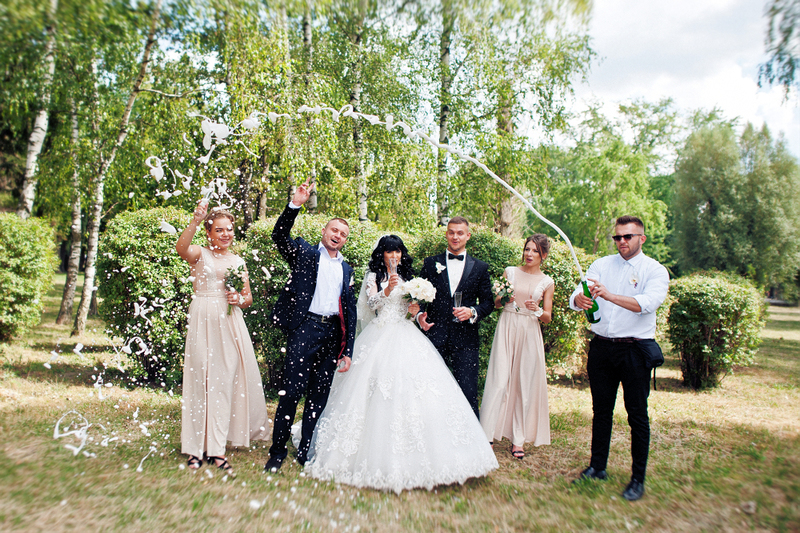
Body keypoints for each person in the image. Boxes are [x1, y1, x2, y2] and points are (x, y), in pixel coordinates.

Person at [305, 235, 498, 493]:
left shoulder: (408, 275)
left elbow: (411, 306)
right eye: (389, 252)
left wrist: (419, 314)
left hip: (406, 333)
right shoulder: (373, 276)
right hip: (380, 333)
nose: (394, 256)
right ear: (382, 254)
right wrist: (386, 289)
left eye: (397, 252)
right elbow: (370, 305)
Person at [569, 215, 669, 502]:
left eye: (628, 236)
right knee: (601, 411)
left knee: (637, 415)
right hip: (602, 348)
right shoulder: (602, 265)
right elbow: (580, 290)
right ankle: (597, 467)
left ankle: (638, 479)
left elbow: (647, 304)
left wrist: (610, 296)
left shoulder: (655, 270)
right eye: (618, 237)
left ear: (642, 238)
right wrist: (579, 299)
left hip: (635, 350)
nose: (622, 242)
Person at [264, 179, 358, 473]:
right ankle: (277, 452)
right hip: (304, 329)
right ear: (324, 231)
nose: (337, 236)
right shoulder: (305, 254)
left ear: (345, 240)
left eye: (343, 234)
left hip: (331, 336)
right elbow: (279, 236)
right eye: (334, 230)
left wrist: (348, 350)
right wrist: (295, 205)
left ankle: (305, 450)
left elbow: (351, 312)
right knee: (291, 393)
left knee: (319, 396)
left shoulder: (347, 269)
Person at [176, 201, 270, 474]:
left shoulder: (238, 261)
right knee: (199, 379)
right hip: (203, 315)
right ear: (209, 233)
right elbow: (181, 248)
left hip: (229, 321)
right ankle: (194, 449)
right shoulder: (199, 254)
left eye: (229, 229)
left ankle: (217, 449)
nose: (226, 234)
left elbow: (248, 297)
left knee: (223, 381)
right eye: (220, 230)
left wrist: (239, 299)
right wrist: (195, 220)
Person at [480, 234, 554, 459]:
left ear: (544, 255)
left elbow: (548, 316)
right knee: (499, 378)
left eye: (535, 251)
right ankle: (486, 434)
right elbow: (496, 303)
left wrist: (537, 310)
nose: (529, 254)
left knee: (524, 382)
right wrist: (504, 301)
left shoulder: (547, 282)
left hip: (530, 330)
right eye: (527, 249)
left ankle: (518, 439)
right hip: (508, 324)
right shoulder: (509, 272)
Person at [417, 217, 494, 418]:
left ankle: (471, 444)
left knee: (467, 391)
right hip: (435, 335)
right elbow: (418, 297)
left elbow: (488, 303)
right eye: (451, 232)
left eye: (460, 233)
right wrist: (419, 316)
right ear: (446, 234)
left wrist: (472, 312)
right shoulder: (430, 263)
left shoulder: (480, 268)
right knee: (431, 389)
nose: (455, 236)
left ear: (468, 236)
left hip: (466, 339)